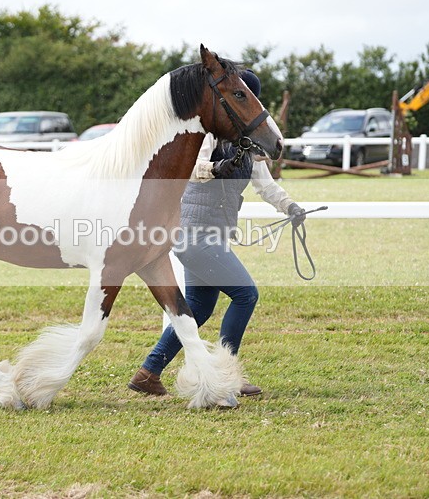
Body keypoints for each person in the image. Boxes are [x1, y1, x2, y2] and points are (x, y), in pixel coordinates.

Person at [128, 69, 306, 400]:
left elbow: (266, 186)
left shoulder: (248, 145)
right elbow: (191, 170)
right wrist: (215, 168)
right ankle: (226, 377)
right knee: (246, 295)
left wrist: (291, 207)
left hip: (212, 236)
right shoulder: (208, 136)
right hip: (194, 235)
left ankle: (148, 372)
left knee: (198, 307)